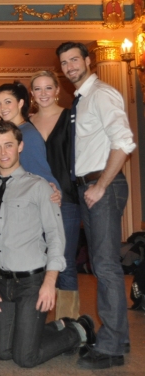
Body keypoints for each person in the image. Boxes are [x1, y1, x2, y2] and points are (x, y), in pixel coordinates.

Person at [0, 121, 95, 368]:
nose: (3, 152)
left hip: (31, 283)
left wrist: (49, 283)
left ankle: (77, 330)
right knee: (2, 351)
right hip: (0, 282)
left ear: (20, 146)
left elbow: (56, 237)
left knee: (25, 357)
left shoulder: (39, 187)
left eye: (9, 145)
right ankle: (53, 326)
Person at [57, 41, 136, 369]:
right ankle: (120, 337)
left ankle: (111, 347)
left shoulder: (101, 94)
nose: (70, 66)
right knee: (104, 266)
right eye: (64, 62)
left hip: (102, 186)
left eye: (75, 59)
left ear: (88, 60)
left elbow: (125, 141)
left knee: (104, 267)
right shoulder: (81, 100)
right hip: (89, 188)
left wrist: (101, 185)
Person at [29, 70, 81, 320]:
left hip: (66, 199)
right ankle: (36, 326)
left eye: (48, 88)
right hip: (34, 203)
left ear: (57, 90)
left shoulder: (72, 117)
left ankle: (69, 326)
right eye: (37, 89)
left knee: (65, 262)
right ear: (31, 94)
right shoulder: (27, 124)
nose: (43, 93)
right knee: (37, 264)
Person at [0, 82, 60, 192]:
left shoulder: (28, 134)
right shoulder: (10, 132)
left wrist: (52, 191)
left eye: (8, 102)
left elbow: (40, 173)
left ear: (20, 103)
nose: (2, 108)